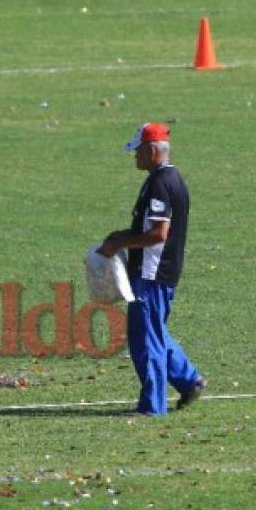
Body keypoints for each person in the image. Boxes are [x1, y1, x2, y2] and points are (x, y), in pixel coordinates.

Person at [99, 122, 206, 415]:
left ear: (152, 151)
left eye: (138, 152)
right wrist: (120, 237)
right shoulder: (170, 178)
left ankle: (153, 406)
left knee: (146, 340)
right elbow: (150, 227)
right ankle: (189, 381)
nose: (135, 157)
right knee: (155, 332)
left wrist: (120, 244)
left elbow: (159, 233)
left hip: (152, 274)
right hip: (159, 272)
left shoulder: (160, 183)